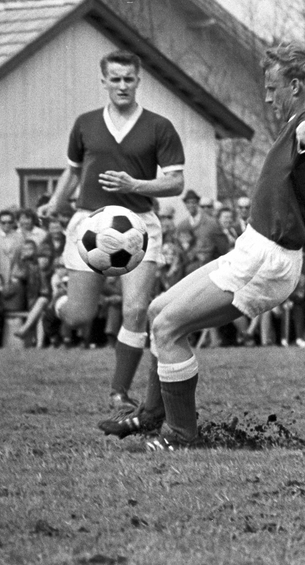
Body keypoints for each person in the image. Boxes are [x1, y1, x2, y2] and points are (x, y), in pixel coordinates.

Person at [104, 42, 305, 449]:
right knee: (157, 310)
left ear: (295, 85)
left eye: (273, 87)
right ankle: (154, 414)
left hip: (267, 259)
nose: (269, 96)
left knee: (168, 330)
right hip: (256, 250)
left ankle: (180, 434)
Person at [37, 50, 187, 411]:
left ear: (138, 81)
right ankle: (54, 308)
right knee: (79, 316)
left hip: (138, 226)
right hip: (90, 224)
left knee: (136, 310)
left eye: (129, 79)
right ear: (103, 81)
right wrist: (56, 204)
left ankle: (119, 392)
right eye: (115, 79)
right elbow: (72, 171)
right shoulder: (85, 123)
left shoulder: (159, 126)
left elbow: (175, 183)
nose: (122, 85)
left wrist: (134, 184)